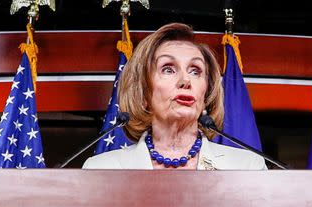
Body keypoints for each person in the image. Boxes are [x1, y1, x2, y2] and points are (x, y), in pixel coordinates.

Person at [83, 23, 266, 170]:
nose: (185, 80)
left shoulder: (246, 167)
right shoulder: (103, 169)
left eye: (195, 71)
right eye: (168, 69)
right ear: (144, 91)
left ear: (206, 93)